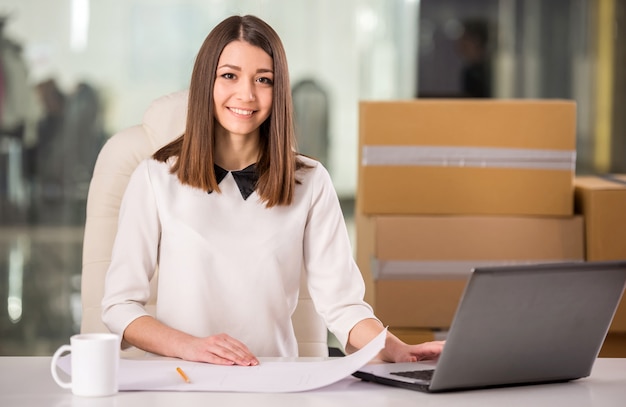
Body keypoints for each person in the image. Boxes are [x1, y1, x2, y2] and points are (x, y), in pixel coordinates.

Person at [101, 14, 444, 366]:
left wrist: (397, 348)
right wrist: (190, 346)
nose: (246, 94)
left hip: (274, 383)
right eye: (229, 76)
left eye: (263, 80)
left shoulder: (310, 181)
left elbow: (343, 305)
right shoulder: (155, 177)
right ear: (207, 82)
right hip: (181, 381)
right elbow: (119, 306)